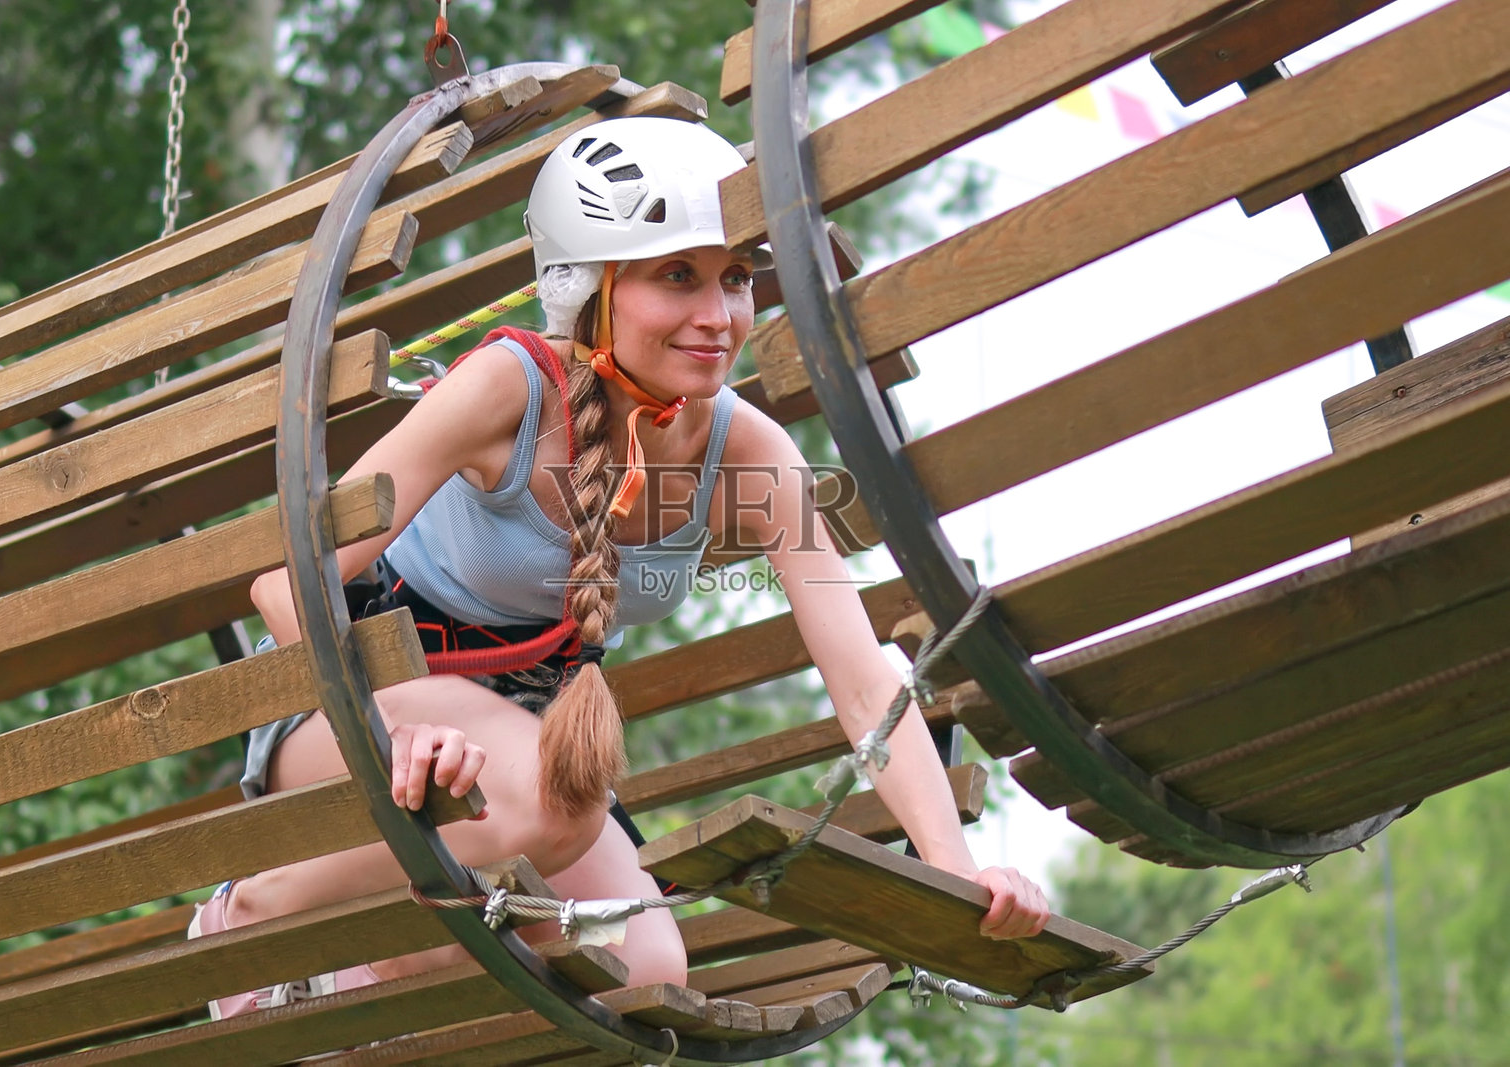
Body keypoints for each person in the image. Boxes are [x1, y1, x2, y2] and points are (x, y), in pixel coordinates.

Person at [189, 116, 1050, 1018]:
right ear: (587, 287)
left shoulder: (750, 453)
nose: (717, 316)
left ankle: (373, 974)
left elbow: (864, 679)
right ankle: (254, 911)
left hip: (529, 740)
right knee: (557, 803)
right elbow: (287, 585)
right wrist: (396, 725)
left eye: (735, 278)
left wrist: (958, 871)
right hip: (354, 708)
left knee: (642, 970)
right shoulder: (508, 389)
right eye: (677, 275)